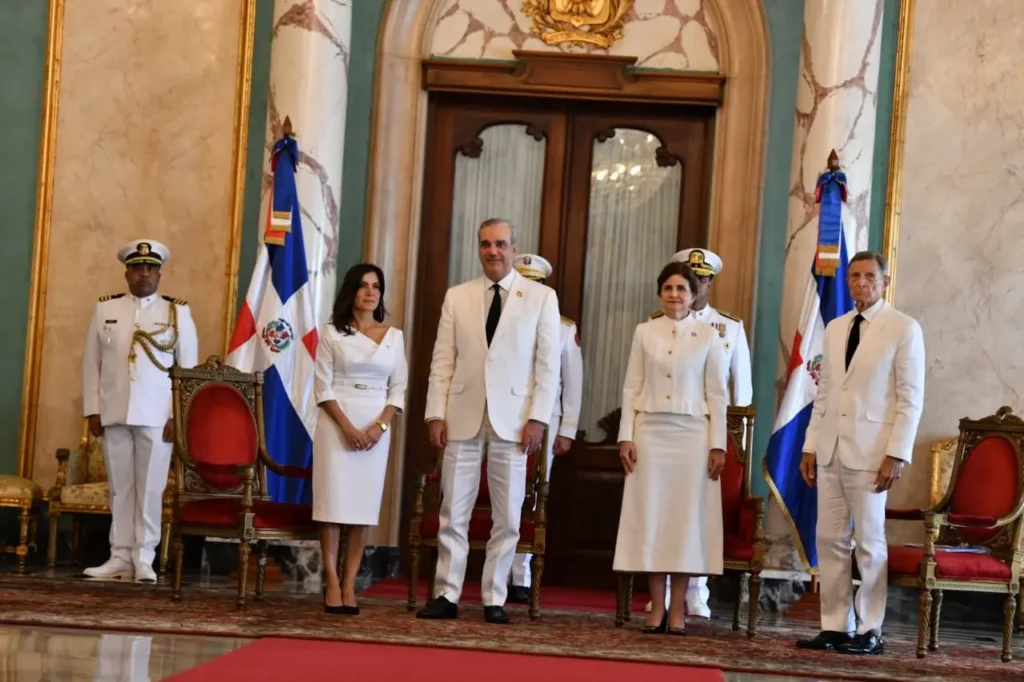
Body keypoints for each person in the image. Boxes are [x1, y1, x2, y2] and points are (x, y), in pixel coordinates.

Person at [417, 218, 561, 624]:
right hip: (461, 416)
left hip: (514, 421)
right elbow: (442, 360)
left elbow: (548, 366)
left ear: (514, 248)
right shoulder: (457, 296)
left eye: (500, 244)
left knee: (508, 516)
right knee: (452, 511)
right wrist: (435, 413)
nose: (492, 251)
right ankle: (446, 593)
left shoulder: (540, 297)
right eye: (485, 244)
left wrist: (538, 418)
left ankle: (494, 597)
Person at [795, 251, 925, 656]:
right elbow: (824, 394)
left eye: (869, 276)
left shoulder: (903, 328)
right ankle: (836, 625)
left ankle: (870, 629)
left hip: (872, 453)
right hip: (831, 449)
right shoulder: (836, 327)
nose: (861, 282)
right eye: (854, 276)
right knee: (830, 539)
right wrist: (810, 446)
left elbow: (910, 399)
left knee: (869, 542)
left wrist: (896, 454)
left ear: (884, 282)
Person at [613, 261, 729, 636]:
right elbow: (631, 387)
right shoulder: (644, 332)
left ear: (693, 295)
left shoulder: (709, 335)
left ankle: (678, 608)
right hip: (650, 433)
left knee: (683, 523)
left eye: (682, 289)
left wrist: (718, 444)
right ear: (660, 293)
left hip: (693, 436)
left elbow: (718, 394)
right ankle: (656, 606)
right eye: (668, 288)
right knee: (653, 518)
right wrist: (626, 436)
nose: (675, 294)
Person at [82, 239, 198, 582]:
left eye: (150, 267)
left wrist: (178, 416)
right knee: (121, 488)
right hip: (114, 411)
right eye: (137, 267)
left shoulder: (177, 312)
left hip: (157, 416)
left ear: (159, 273)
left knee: (149, 489)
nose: (144, 273)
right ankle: (119, 555)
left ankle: (144, 557)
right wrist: (93, 410)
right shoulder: (106, 309)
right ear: (127, 273)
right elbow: (92, 364)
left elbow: (187, 372)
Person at [646, 247, 753, 618]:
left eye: (703, 279)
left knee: (697, 513)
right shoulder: (655, 324)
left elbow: (740, 392)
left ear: (708, 284)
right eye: (691, 277)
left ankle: (697, 591)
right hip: (665, 429)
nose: (697, 285)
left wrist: (732, 443)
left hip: (709, 432)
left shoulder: (728, 327)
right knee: (664, 511)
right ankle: (661, 595)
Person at [312, 263, 407, 615]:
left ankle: (350, 582)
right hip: (336, 424)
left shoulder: (394, 336)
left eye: (376, 286)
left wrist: (378, 427)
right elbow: (322, 387)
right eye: (364, 286)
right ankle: (331, 581)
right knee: (333, 505)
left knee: (361, 509)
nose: (371, 292)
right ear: (351, 291)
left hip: (375, 427)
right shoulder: (331, 333)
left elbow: (398, 389)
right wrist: (348, 428)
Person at [507, 253, 583, 605]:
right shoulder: (501, 319)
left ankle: (520, 575)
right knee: (504, 493)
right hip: (505, 415)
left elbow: (573, 382)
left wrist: (568, 428)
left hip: (546, 420)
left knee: (534, 495)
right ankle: (499, 570)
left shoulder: (564, 327)